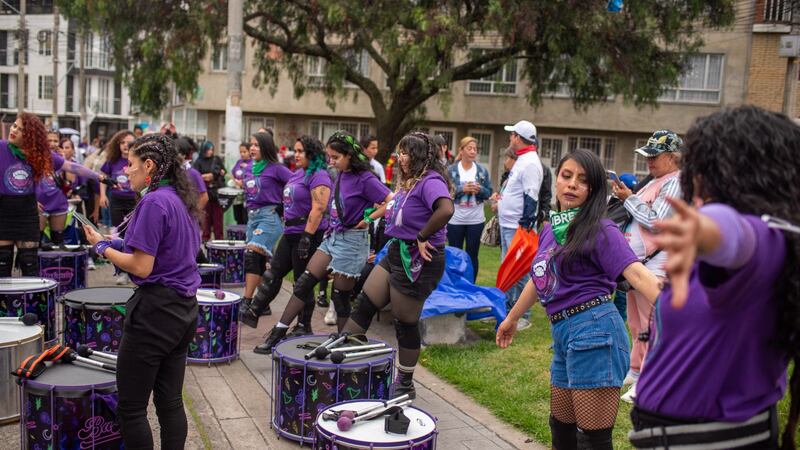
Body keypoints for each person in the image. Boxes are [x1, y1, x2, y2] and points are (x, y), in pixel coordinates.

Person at [629, 106, 799, 449]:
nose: (694, 181)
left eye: (703, 168)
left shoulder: (768, 241)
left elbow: (734, 234)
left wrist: (704, 227)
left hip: (716, 440)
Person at [496, 149, 660, 450]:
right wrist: (512, 318)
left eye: (582, 180)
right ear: (556, 181)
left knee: (591, 441)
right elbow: (540, 277)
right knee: (561, 431)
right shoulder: (553, 229)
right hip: (563, 334)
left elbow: (637, 276)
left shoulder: (600, 228)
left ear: (593, 190)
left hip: (595, 332)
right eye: (566, 176)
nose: (572, 184)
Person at [83, 134, 202, 450]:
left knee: (132, 408)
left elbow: (140, 266)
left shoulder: (153, 202)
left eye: (131, 164)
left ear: (149, 165)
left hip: (155, 315)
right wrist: (108, 242)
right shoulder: (177, 199)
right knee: (170, 401)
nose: (126, 170)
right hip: (183, 311)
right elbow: (158, 251)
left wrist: (101, 249)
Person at [254, 131, 391, 354]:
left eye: (336, 157)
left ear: (349, 155)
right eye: (329, 156)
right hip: (332, 237)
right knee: (304, 283)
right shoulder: (341, 174)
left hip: (352, 243)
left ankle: (344, 344)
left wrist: (368, 218)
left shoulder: (365, 178)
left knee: (340, 296)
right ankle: (277, 333)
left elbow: (391, 201)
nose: (331, 161)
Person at [342, 131, 453, 399]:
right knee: (365, 303)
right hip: (397, 251)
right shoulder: (410, 183)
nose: (400, 157)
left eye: (405, 153)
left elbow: (446, 209)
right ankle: (346, 359)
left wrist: (423, 235)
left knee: (405, 322)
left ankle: (405, 383)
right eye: (399, 152)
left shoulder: (431, 181)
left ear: (419, 156)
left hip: (419, 259)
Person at [611, 130, 682, 402]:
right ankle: (636, 370)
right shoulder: (657, 180)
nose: (649, 161)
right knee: (636, 322)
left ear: (673, 158)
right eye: (647, 156)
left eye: (655, 156)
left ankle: (650, 381)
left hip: (657, 266)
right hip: (638, 265)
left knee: (652, 325)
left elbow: (655, 222)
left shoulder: (675, 182)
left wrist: (628, 198)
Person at [240, 135, 332, 335]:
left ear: (311, 153)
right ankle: (253, 311)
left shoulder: (319, 175)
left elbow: (318, 208)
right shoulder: (298, 173)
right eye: (295, 150)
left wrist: (307, 237)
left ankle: (303, 325)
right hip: (290, 232)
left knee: (301, 281)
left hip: (306, 234)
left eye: (300, 151)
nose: (296, 154)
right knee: (273, 273)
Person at [0, 113, 99, 277]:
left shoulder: (39, 155)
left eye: (21, 129)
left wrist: (101, 177)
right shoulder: (2, 148)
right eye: (14, 126)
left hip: (26, 212)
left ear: (30, 136)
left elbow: (72, 167)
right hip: (3, 211)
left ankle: (29, 303)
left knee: (29, 263)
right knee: (2, 265)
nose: (14, 130)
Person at [497, 120, 544, 330]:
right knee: (508, 270)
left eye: (512, 135)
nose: (510, 138)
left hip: (518, 227)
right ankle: (507, 309)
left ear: (518, 137)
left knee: (522, 271)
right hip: (509, 224)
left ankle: (523, 315)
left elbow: (531, 195)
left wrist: (525, 224)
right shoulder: (524, 159)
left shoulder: (531, 162)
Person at [241, 132, 293, 308]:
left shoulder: (276, 168)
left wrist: (283, 205)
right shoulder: (250, 168)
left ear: (266, 147)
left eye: (257, 145)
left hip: (269, 217)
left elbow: (295, 185)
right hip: (252, 217)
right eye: (251, 144)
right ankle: (263, 304)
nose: (252, 148)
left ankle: (246, 302)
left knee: (252, 255)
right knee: (259, 263)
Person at [446, 136, 492, 281]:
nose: (473, 152)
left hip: (475, 220)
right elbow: (446, 192)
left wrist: (480, 190)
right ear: (461, 150)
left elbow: (489, 192)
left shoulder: (482, 171)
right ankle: (454, 284)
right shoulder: (451, 170)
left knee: (472, 255)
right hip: (455, 219)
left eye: (475, 149)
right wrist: (462, 189)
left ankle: (470, 284)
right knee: (454, 254)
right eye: (469, 148)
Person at [36, 131, 71, 250]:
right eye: (49, 140)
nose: (52, 143)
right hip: (40, 203)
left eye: (55, 141)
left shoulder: (61, 158)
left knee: (58, 242)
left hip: (58, 202)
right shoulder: (36, 156)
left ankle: (56, 267)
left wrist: (64, 159)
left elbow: (71, 180)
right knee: (37, 241)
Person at [99, 130, 137, 229]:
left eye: (129, 143)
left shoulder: (138, 160)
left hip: (134, 199)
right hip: (116, 199)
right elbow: (103, 178)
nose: (125, 145)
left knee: (133, 228)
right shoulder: (112, 160)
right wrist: (103, 195)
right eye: (122, 142)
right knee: (118, 228)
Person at [193, 140, 226, 241]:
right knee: (205, 218)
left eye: (212, 150)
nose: (210, 152)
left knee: (218, 219)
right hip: (204, 193)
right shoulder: (198, 162)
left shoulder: (216, 159)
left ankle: (219, 239)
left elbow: (223, 171)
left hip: (216, 193)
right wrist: (204, 176)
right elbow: (195, 175)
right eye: (208, 150)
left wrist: (214, 175)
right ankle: (205, 238)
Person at [230, 142, 252, 225]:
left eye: (244, 152)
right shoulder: (239, 162)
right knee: (238, 218)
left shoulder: (252, 163)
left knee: (245, 218)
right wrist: (235, 182)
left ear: (249, 151)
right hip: (237, 196)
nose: (242, 154)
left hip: (247, 197)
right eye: (240, 152)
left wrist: (243, 183)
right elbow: (232, 173)